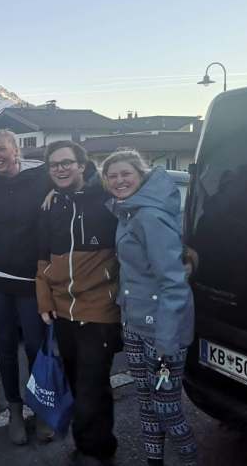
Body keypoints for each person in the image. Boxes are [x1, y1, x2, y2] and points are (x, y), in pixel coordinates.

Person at [103, 150, 197, 466]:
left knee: (167, 409)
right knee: (145, 403)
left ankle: (189, 461)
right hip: (134, 324)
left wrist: (166, 341)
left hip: (162, 331)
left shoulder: (149, 217)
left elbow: (174, 283)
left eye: (126, 173)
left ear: (141, 175)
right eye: (112, 176)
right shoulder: (127, 212)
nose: (119, 181)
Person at [35, 141, 122, 466]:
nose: (60, 169)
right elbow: (42, 256)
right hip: (62, 312)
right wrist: (44, 298)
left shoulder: (108, 199)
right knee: (76, 381)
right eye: (54, 165)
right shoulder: (52, 205)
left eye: (66, 163)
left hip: (99, 310)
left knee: (92, 386)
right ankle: (90, 443)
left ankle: (95, 452)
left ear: (82, 166)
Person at [0, 129, 53, 445]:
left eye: (1, 149)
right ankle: (14, 410)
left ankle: (40, 408)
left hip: (31, 278)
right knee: (4, 345)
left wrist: (56, 194)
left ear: (16, 150)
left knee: (35, 345)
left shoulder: (41, 178)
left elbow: (81, 172)